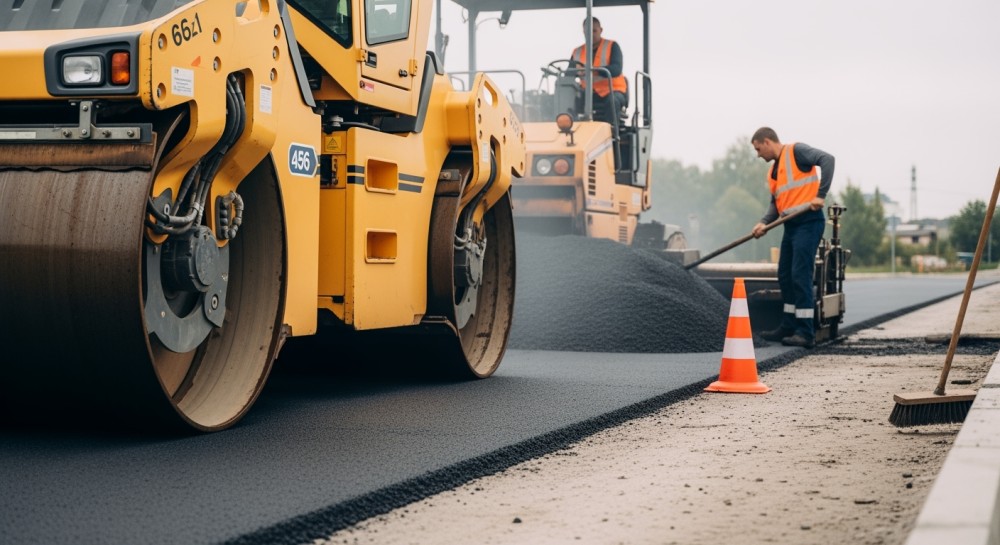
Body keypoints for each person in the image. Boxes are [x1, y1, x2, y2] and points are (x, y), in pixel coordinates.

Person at [750, 127, 835, 348]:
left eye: (759, 149)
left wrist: (820, 196)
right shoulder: (772, 173)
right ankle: (788, 326)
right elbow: (775, 204)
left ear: (768, 142)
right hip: (791, 225)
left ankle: (805, 332)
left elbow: (828, 159)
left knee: (800, 274)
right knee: (785, 275)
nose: (758, 155)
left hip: (809, 221)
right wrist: (764, 223)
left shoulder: (796, 152)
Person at [571, 17, 627, 124]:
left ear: (601, 30)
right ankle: (567, 131)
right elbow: (568, 73)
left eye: (594, 31)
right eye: (588, 31)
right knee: (566, 99)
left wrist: (593, 71)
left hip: (612, 90)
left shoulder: (612, 46)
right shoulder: (577, 52)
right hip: (588, 93)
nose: (591, 34)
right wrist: (576, 71)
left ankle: (612, 135)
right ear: (583, 32)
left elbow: (616, 69)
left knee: (612, 102)